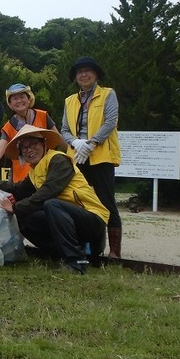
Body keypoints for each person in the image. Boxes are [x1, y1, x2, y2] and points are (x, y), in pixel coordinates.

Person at [0, 125, 107, 275]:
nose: (29, 150)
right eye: (24, 147)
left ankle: (76, 263)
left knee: (50, 204)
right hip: (65, 219)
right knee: (24, 218)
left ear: (44, 143)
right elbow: (18, 189)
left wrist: (15, 207)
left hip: (92, 218)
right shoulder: (35, 171)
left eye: (33, 144)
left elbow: (48, 191)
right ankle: (59, 253)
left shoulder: (58, 160)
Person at [59, 56, 123, 259]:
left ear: (96, 74)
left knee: (106, 201)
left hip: (101, 156)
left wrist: (92, 143)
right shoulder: (70, 100)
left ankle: (115, 251)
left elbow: (110, 122)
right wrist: (75, 143)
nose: (83, 75)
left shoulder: (108, 94)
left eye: (87, 70)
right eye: (79, 72)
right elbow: (64, 129)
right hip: (77, 157)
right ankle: (84, 247)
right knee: (79, 200)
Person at [0, 84, 56, 183]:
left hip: (46, 173)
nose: (19, 101)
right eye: (15, 99)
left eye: (22, 97)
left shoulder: (43, 116)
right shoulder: (8, 127)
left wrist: (70, 153)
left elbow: (57, 139)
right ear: (10, 104)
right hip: (22, 179)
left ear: (29, 99)